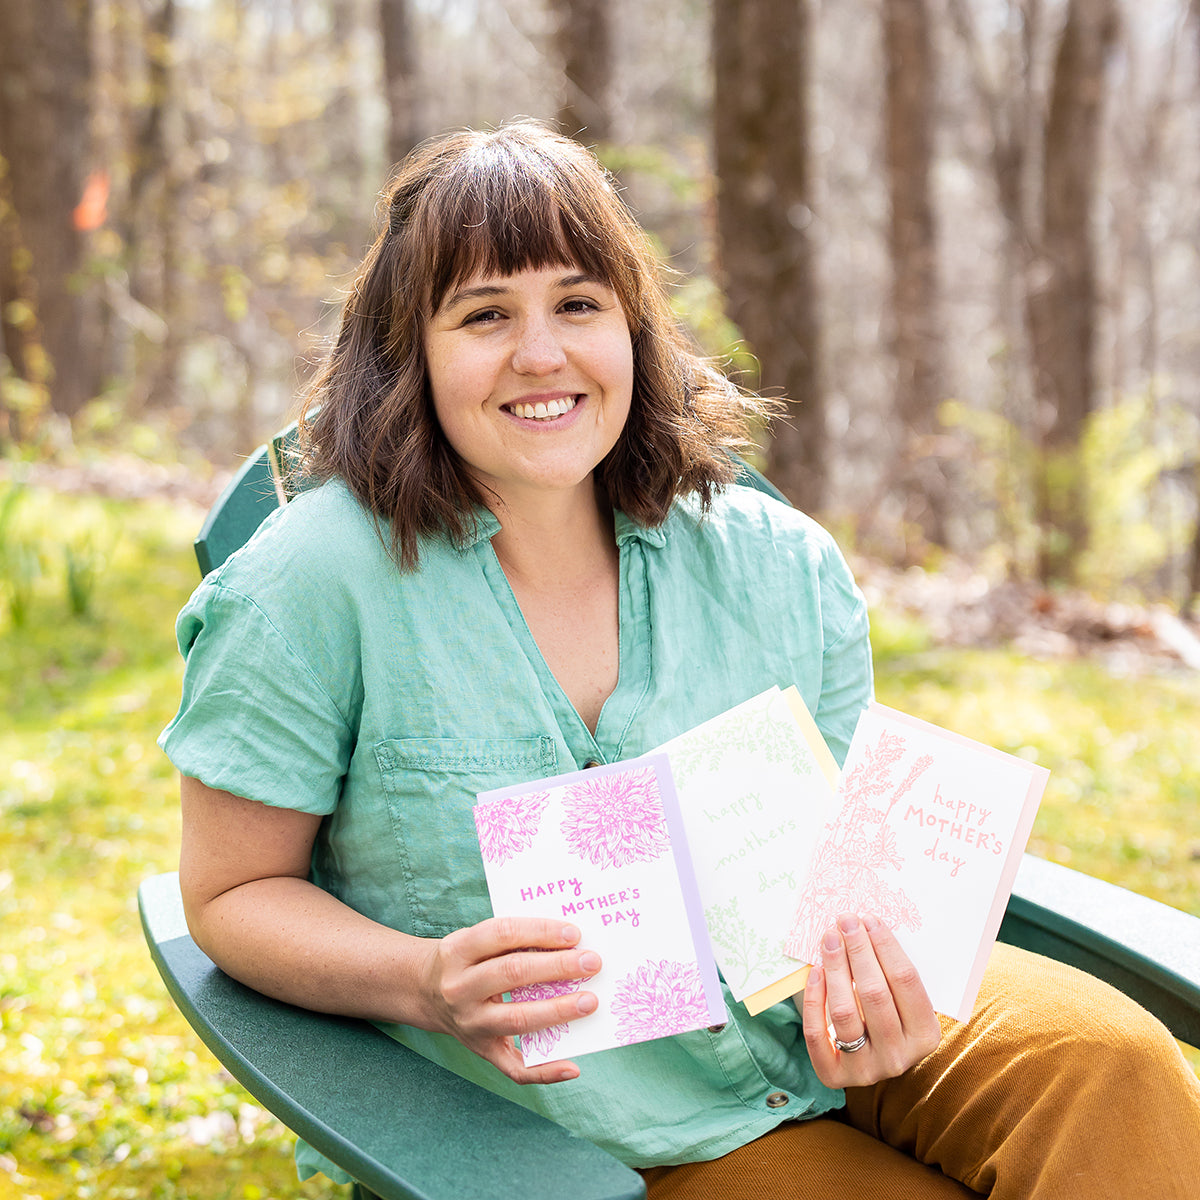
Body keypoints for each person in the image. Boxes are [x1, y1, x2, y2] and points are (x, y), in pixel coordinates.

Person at [160, 120, 1200, 1199]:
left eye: (578, 304)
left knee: (1114, 1071)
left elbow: (844, 882)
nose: (540, 354)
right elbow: (233, 893)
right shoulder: (315, 585)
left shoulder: (776, 565)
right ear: (408, 355)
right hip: (593, 1123)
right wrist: (423, 979)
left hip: (813, 1032)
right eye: (484, 315)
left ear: (632, 329)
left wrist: (880, 991)